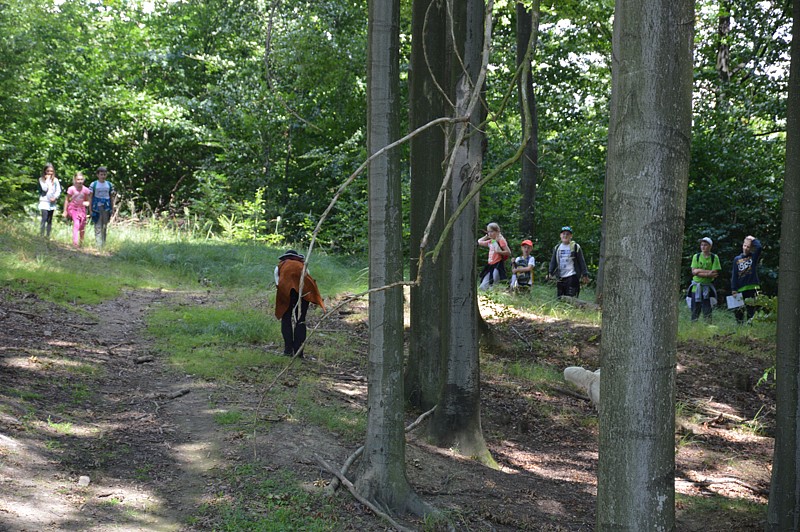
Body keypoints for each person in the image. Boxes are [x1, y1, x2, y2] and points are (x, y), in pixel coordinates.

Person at [274, 250, 325, 358]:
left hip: (286, 292)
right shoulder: (303, 266)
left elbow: (278, 284)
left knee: (286, 319)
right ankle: (299, 353)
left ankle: (288, 351)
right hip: (302, 293)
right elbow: (309, 282)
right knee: (300, 320)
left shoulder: (280, 266)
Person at [548, 226, 589, 298]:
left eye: (567, 234)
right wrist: (550, 272)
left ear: (571, 236)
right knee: (560, 298)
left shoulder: (575, 247)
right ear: (560, 235)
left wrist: (585, 274)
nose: (565, 235)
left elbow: (581, 261)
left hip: (572, 275)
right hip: (560, 277)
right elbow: (553, 261)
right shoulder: (557, 247)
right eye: (563, 234)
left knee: (571, 298)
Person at [688, 236, 722, 322]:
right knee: (695, 311)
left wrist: (699, 271)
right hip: (696, 288)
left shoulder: (714, 257)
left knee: (707, 311)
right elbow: (694, 272)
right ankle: (694, 328)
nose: (703, 247)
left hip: (707, 288)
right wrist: (707, 273)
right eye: (702, 245)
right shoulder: (696, 256)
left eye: (705, 245)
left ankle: (708, 329)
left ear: (710, 246)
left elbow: (714, 273)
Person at [731, 235, 762, 324]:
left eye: (748, 247)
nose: (746, 248)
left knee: (751, 309)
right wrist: (733, 288)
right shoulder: (737, 259)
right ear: (742, 245)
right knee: (738, 310)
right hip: (740, 288)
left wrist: (752, 239)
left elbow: (759, 247)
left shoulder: (753, 257)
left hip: (752, 287)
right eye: (745, 246)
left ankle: (750, 326)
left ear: (751, 248)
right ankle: (739, 326)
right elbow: (734, 274)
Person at [477, 222, 512, 290]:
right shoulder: (491, 241)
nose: (490, 233)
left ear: (497, 231)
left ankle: (495, 296)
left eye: (491, 231)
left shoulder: (501, 240)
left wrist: (499, 251)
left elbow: (508, 252)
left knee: (494, 284)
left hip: (497, 265)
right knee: (482, 286)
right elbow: (479, 242)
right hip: (490, 266)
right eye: (488, 232)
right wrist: (486, 236)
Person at [88, 166, 115, 249]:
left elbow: (111, 196)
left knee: (104, 225)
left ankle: (103, 243)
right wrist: (90, 209)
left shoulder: (109, 184)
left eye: (104, 174)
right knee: (98, 225)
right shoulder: (94, 184)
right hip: (97, 207)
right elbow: (90, 197)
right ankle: (98, 244)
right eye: (101, 174)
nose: (103, 176)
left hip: (106, 207)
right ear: (97, 175)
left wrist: (112, 207)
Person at [62, 172, 91, 247]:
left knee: (82, 226)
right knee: (76, 224)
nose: (80, 181)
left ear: (83, 180)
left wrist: (87, 205)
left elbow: (87, 201)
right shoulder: (71, 189)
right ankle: (75, 243)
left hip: (82, 209)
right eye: (78, 179)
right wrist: (65, 211)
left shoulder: (85, 190)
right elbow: (67, 200)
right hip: (73, 208)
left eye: (81, 179)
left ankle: (81, 242)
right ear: (75, 180)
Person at [37, 163, 62, 238]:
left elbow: (58, 190)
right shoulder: (41, 179)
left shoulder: (56, 180)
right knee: (44, 217)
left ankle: (48, 235)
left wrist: (55, 197)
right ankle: (41, 234)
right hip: (44, 201)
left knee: (49, 219)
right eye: (48, 171)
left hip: (52, 202)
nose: (50, 173)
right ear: (45, 171)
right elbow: (44, 189)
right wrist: (47, 180)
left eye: (51, 171)